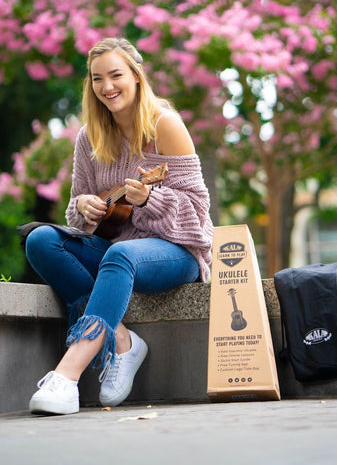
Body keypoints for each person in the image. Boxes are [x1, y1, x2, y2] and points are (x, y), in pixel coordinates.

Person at [25, 37, 213, 415]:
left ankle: (68, 374)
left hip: (177, 252)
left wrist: (151, 199)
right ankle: (123, 339)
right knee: (41, 239)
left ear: (137, 75)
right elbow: (76, 218)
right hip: (117, 249)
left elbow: (199, 218)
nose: (107, 87)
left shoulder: (166, 125)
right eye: (98, 79)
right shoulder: (89, 137)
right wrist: (83, 205)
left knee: (121, 254)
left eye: (116, 75)